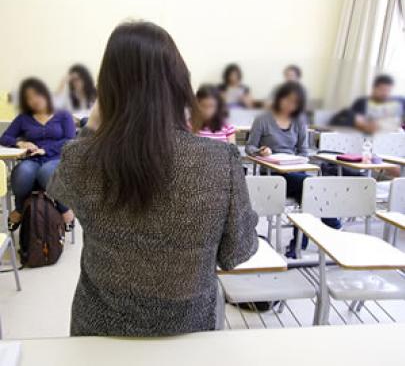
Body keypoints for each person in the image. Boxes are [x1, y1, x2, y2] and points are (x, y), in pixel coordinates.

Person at [47, 21, 258, 337]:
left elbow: (60, 188)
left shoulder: (82, 158)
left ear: (107, 90)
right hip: (190, 333)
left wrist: (91, 127)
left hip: (100, 333)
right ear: (179, 85)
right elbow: (237, 252)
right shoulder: (219, 161)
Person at [246, 81, 341, 258]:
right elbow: (249, 147)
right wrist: (261, 152)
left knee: (308, 194)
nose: (291, 105)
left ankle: (297, 246)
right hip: (272, 174)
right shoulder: (263, 119)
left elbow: (304, 152)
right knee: (311, 186)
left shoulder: (299, 121)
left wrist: (298, 160)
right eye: (288, 100)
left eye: (295, 103)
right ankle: (332, 222)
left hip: (295, 172)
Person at [0, 78, 76, 230]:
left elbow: (71, 140)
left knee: (46, 173)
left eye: (37, 95)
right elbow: (4, 137)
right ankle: (21, 208)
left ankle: (64, 208)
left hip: (58, 158)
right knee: (21, 172)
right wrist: (20, 143)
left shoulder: (63, 114)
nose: (34, 100)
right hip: (33, 159)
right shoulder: (23, 118)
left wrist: (47, 150)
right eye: (29, 98)